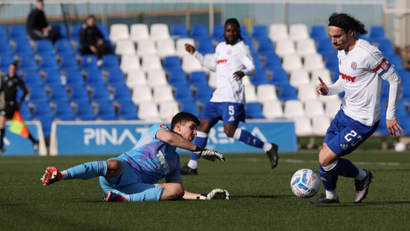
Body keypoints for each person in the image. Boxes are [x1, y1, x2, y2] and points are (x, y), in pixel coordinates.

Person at [309, 13, 402, 204]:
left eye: (338, 37)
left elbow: (394, 79)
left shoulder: (368, 53)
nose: (333, 41)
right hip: (344, 113)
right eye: (331, 37)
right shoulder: (341, 51)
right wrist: (329, 90)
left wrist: (390, 115)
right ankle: (331, 196)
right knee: (324, 158)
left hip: (362, 121)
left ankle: (362, 177)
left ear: (350, 33)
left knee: (325, 159)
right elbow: (347, 80)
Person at [41, 112, 229, 202]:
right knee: (113, 164)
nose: (195, 132)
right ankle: (61, 175)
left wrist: (204, 197)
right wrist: (200, 151)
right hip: (124, 171)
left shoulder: (175, 161)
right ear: (178, 127)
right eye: (192, 128)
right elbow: (171, 139)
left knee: (176, 190)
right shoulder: (160, 129)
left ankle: (122, 198)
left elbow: (178, 190)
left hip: (139, 188)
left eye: (196, 129)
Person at [181, 18, 278, 175]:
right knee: (203, 126)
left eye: (234, 30)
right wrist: (196, 54)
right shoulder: (220, 47)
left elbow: (252, 68)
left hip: (233, 96)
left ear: (239, 31)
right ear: (224, 32)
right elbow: (214, 66)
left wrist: (243, 72)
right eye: (228, 30)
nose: (231, 33)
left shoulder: (242, 48)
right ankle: (192, 166)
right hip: (218, 96)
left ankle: (268, 147)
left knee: (229, 131)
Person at [0, 63, 39, 153]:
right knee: (19, 126)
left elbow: (25, 91)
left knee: (1, 121)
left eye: (13, 68)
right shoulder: (5, 78)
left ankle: (1, 146)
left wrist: (20, 101)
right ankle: (34, 141)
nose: (11, 70)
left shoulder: (17, 80)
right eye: (10, 68)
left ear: (16, 69)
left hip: (12, 105)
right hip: (7, 105)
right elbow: (2, 89)